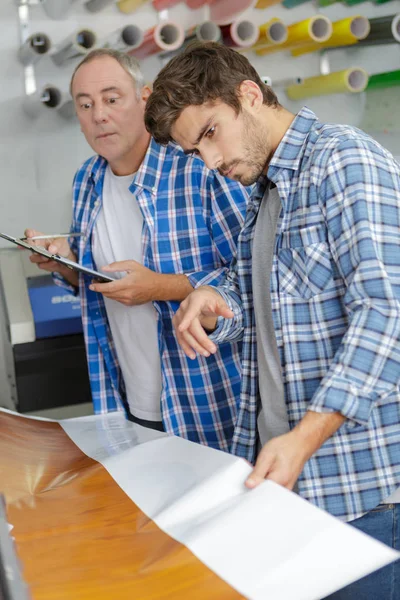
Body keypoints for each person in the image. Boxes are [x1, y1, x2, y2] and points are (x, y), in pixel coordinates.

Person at [144, 42, 400, 598]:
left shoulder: (343, 160)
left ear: (249, 95)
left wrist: (304, 439)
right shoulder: (264, 194)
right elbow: (275, 303)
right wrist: (217, 302)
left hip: (366, 497)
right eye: (194, 152)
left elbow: (387, 315)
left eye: (209, 133)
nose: (209, 163)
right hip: (291, 492)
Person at [26, 48, 249, 451]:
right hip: (132, 402)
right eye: (86, 105)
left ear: (144, 98)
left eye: (112, 99)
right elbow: (107, 287)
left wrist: (160, 287)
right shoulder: (87, 180)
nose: (99, 115)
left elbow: (252, 278)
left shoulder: (200, 166)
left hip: (213, 404)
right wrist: (66, 265)